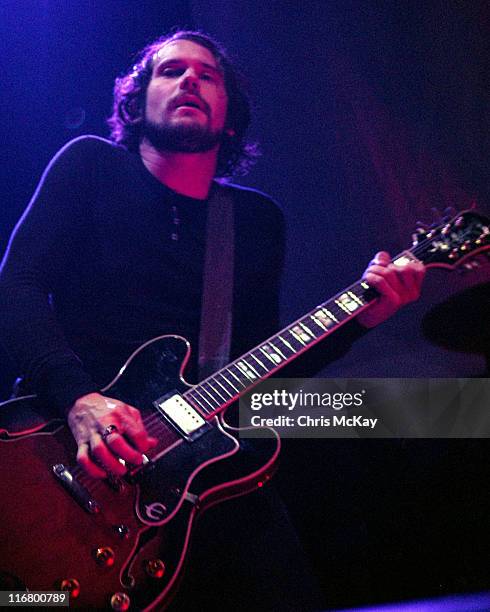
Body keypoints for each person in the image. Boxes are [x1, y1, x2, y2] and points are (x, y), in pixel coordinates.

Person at [0, 30, 425, 610]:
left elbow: (261, 376)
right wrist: (80, 398)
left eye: (207, 75)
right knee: (29, 601)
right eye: (170, 71)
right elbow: (16, 287)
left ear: (230, 117)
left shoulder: (253, 221)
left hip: (202, 473)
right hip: (61, 445)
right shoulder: (89, 167)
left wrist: (364, 317)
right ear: (137, 100)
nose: (189, 80)